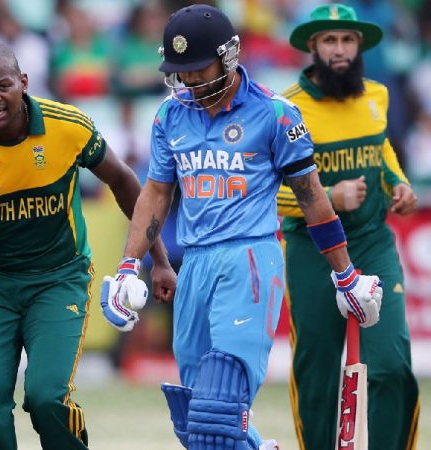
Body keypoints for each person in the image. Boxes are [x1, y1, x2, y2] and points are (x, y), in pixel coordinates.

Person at [99, 5, 383, 450]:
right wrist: (128, 265)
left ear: (228, 56)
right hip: (195, 265)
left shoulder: (275, 113)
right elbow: (156, 192)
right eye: (180, 71)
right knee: (197, 422)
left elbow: (310, 196)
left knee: (218, 406)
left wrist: (345, 275)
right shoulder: (170, 115)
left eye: (198, 67)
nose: (189, 79)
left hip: (249, 261)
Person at [0, 41, 176, 450]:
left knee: (47, 396)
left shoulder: (68, 126)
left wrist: (159, 260)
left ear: (24, 83)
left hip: (58, 279)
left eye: (3, 86)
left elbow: (123, 181)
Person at [276, 4, 420, 450]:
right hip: (312, 249)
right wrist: (330, 197)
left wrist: (398, 183)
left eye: (347, 40)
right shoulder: (286, 109)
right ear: (313, 46)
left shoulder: (377, 94)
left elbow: (382, 150)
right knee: (317, 373)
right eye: (330, 40)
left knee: (392, 367)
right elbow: (266, 192)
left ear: (359, 46)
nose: (339, 50)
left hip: (373, 242)